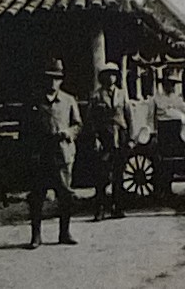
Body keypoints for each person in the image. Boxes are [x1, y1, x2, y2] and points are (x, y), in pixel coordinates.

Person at [25, 58, 83, 249]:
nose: (53, 82)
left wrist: (69, 132)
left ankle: (64, 232)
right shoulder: (35, 100)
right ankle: (36, 236)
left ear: (61, 80)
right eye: (49, 78)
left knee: (65, 195)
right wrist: (31, 151)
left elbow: (78, 124)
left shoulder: (68, 100)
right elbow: (26, 129)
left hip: (62, 154)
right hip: (41, 154)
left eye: (56, 78)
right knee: (37, 196)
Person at [89, 62, 132, 221]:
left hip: (120, 136)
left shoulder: (122, 94)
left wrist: (131, 138)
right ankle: (100, 208)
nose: (111, 77)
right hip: (105, 137)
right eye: (107, 74)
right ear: (103, 77)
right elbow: (91, 120)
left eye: (113, 74)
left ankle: (117, 207)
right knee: (102, 175)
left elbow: (129, 116)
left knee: (119, 174)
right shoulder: (96, 96)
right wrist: (95, 138)